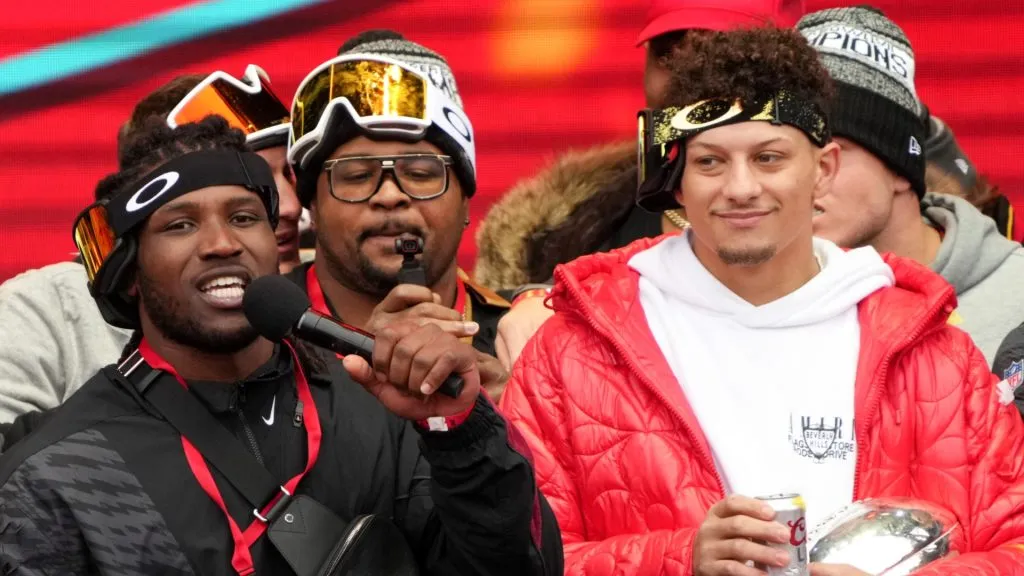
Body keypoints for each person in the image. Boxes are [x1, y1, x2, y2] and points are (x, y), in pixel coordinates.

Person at [499, 25, 1024, 575]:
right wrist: (679, 562)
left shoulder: (934, 350)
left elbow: (1012, 547)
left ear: (824, 170)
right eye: (710, 162)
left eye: (769, 158)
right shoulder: (570, 353)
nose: (741, 187)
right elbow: (512, 561)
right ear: (677, 181)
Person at [0, 117, 562, 575]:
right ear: (130, 274)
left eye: (245, 218)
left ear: (277, 243)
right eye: (179, 225)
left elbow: (509, 568)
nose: (222, 244)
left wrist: (462, 435)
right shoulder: (58, 470)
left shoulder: (385, 406)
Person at [479, 0, 806, 370]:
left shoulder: (843, 245)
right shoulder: (564, 238)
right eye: (670, 54)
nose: (690, 73)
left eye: (721, 53)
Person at [0, 66, 304, 425]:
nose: (290, 207)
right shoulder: (44, 308)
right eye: (183, 222)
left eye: (289, 174)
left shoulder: (318, 300)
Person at [287, 31, 511, 397]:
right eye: (357, 176)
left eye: (421, 173)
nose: (390, 196)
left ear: (466, 200)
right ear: (311, 203)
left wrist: (521, 416)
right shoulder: (254, 339)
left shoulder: (527, 340)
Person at [799, 6, 1024, 364]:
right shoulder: (752, 301)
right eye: (781, 154)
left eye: (833, 152)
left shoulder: (1016, 301)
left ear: (901, 168)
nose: (805, 178)